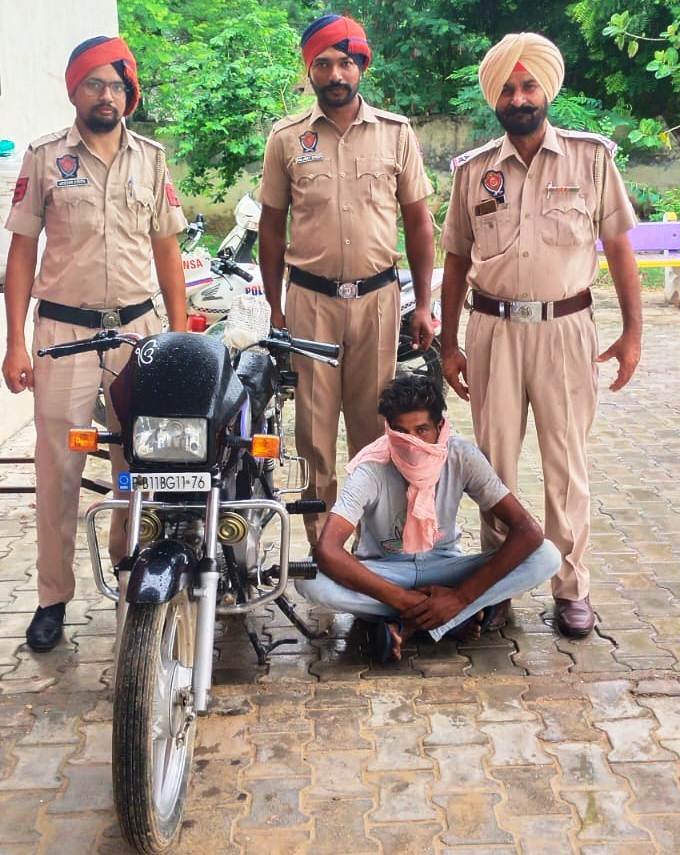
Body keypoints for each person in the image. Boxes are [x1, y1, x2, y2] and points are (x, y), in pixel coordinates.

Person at [440, 32, 642, 638]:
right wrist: (449, 344)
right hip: (493, 331)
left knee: (566, 464)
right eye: (507, 88)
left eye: (528, 86)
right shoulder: (473, 171)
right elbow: (456, 259)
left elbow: (619, 248)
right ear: (494, 97)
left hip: (566, 329)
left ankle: (571, 587)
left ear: (546, 90)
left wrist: (633, 332)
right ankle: (497, 587)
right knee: (493, 465)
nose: (519, 98)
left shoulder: (590, 159)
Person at [2, 36, 187, 651]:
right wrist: (15, 343)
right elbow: (22, 252)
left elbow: (167, 250)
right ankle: (52, 597)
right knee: (58, 470)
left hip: (138, 332)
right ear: (74, 91)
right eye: (94, 84)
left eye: (116, 85)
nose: (106, 96)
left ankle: (133, 574)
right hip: (65, 334)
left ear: (128, 94)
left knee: (139, 465)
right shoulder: (45, 158)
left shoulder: (151, 159)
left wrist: (177, 333)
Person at [259, 13, 435, 547]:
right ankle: (324, 550)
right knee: (313, 433)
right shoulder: (286, 139)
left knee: (374, 427)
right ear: (309, 70)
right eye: (323, 64)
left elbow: (418, 222)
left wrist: (424, 304)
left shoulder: (396, 134)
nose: (335, 74)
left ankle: (374, 546)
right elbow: (271, 228)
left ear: (361, 67)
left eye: (345, 63)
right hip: (310, 301)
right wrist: (276, 308)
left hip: (377, 299)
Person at [296, 374, 560, 663]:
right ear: (388, 430)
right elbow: (327, 550)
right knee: (308, 579)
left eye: (421, 430)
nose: (411, 442)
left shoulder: (461, 456)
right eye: (401, 431)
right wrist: (404, 599)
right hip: (386, 573)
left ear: (440, 426)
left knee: (546, 556)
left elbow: (527, 531)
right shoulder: (371, 465)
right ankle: (446, 618)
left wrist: (460, 597)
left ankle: (407, 625)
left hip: (445, 568)